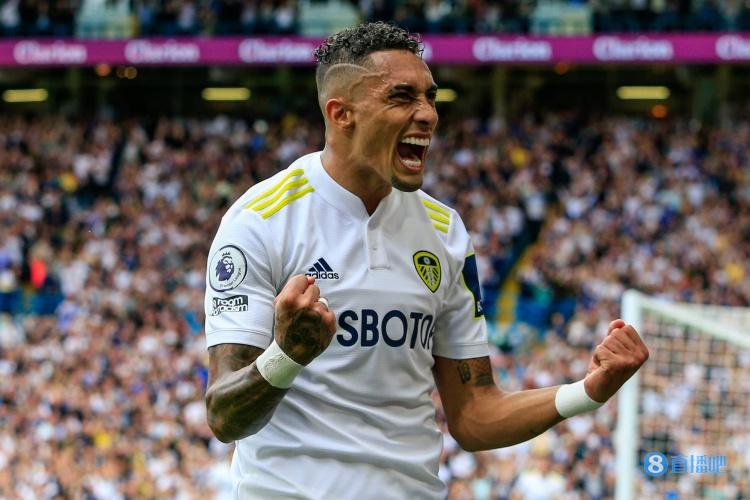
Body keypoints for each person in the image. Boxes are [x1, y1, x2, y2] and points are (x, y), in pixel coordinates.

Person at [203, 21, 649, 499]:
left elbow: (474, 413)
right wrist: (287, 355)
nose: (428, 115)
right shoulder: (260, 221)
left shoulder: (444, 231)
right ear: (341, 113)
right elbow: (225, 417)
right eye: (402, 97)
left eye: (431, 97)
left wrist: (587, 392)